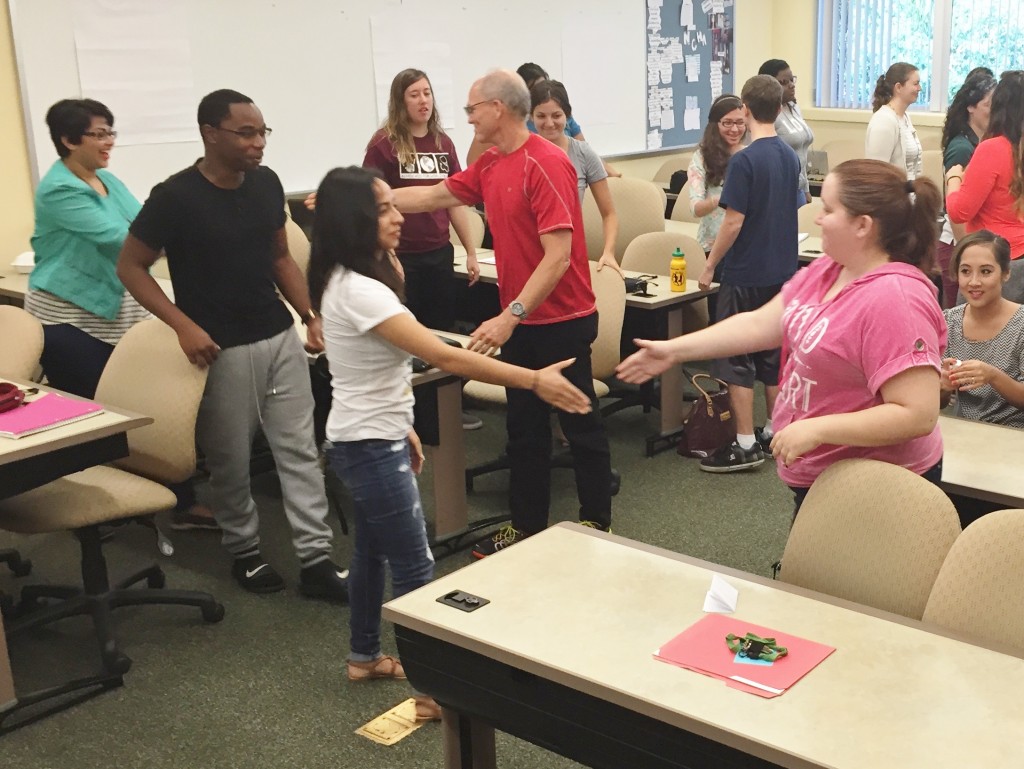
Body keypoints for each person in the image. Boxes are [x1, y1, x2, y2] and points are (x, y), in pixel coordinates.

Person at [308, 165, 590, 720]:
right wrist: (533, 379)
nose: (398, 217)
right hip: (367, 445)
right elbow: (443, 357)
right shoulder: (360, 289)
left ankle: (363, 656)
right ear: (354, 222)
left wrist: (404, 424)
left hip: (366, 436)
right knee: (415, 569)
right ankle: (432, 691)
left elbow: (371, 372)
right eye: (384, 209)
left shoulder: (350, 278)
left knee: (369, 554)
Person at [117, 89, 348, 600]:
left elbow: (280, 259)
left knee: (300, 449)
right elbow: (130, 267)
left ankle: (315, 559)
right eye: (246, 132)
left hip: (277, 334)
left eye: (263, 132)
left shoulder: (266, 184)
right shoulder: (174, 196)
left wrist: (309, 315)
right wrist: (181, 324)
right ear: (210, 133)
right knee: (230, 458)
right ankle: (245, 553)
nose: (258, 142)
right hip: (220, 348)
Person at [618, 159, 945, 514]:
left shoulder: (895, 298)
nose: (818, 217)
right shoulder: (830, 268)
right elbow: (760, 325)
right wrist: (674, 350)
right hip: (828, 474)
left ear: (863, 225)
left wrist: (818, 430)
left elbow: (917, 414)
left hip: (879, 484)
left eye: (829, 209)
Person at [386, 69, 614, 557]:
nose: (466, 117)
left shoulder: (547, 163)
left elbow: (557, 257)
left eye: (472, 108)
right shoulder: (491, 163)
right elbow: (434, 195)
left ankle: (597, 521)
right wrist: (372, 197)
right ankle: (526, 526)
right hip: (524, 319)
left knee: (580, 422)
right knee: (523, 428)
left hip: (562, 318)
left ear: (499, 108)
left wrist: (509, 315)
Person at [28, 98, 215, 531]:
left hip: (114, 306)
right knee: (106, 409)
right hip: (67, 313)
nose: (108, 142)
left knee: (141, 402)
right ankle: (118, 503)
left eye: (111, 132)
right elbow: (120, 238)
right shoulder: (59, 190)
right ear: (68, 140)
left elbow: (146, 221)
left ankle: (164, 498)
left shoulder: (106, 180)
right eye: (98, 134)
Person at [362, 67, 483, 430]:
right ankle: (407, 416)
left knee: (441, 331)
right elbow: (372, 202)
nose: (423, 101)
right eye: (414, 94)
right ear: (401, 100)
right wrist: (388, 256)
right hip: (400, 258)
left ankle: (444, 412)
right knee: (406, 339)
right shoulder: (384, 144)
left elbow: (456, 200)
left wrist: (472, 251)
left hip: (438, 253)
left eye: (427, 93)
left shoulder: (443, 144)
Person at [696, 74, 801, 473]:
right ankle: (775, 430)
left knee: (737, 357)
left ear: (744, 108)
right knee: (774, 356)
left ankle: (743, 444)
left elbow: (733, 222)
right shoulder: (789, 156)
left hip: (744, 272)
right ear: (778, 108)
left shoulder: (744, 160)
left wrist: (709, 265)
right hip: (781, 271)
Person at [529, 79, 621, 277]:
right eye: (541, 116)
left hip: (570, 256)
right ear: (531, 117)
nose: (549, 123)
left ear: (568, 115)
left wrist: (609, 252)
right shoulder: (523, 154)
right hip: (530, 257)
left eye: (556, 115)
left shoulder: (583, 153)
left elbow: (609, 213)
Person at [945, 70, 1024, 301]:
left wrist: (954, 179)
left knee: (977, 333)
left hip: (996, 261)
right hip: (1018, 256)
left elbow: (960, 212)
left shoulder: (993, 149)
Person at [941, 230, 1024, 428]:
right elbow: (940, 403)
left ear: (1006, 273)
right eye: (965, 271)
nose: (974, 282)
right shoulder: (948, 321)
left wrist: (992, 376)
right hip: (964, 433)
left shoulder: (1021, 324)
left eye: (986, 271)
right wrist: (943, 387)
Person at [937, 72, 997, 307]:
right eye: (988, 105)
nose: (992, 111)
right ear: (971, 107)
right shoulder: (962, 147)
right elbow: (956, 211)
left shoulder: (982, 143)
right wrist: (969, 253)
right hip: (957, 246)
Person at [687, 93, 745, 318]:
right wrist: (719, 200)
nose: (734, 129)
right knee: (720, 316)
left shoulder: (750, 155)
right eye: (727, 123)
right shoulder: (702, 157)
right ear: (715, 125)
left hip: (745, 247)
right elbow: (695, 208)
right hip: (714, 247)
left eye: (740, 122)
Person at [758, 59, 814, 204]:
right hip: (778, 192)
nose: (791, 85)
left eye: (792, 79)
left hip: (798, 190)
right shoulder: (766, 115)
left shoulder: (794, 108)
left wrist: (806, 188)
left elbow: (801, 153)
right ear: (768, 85)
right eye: (784, 82)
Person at [865, 62, 923, 180]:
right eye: (915, 84)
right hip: (893, 197)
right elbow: (876, 173)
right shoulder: (884, 121)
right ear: (898, 87)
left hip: (910, 196)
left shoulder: (905, 117)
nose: (919, 88)